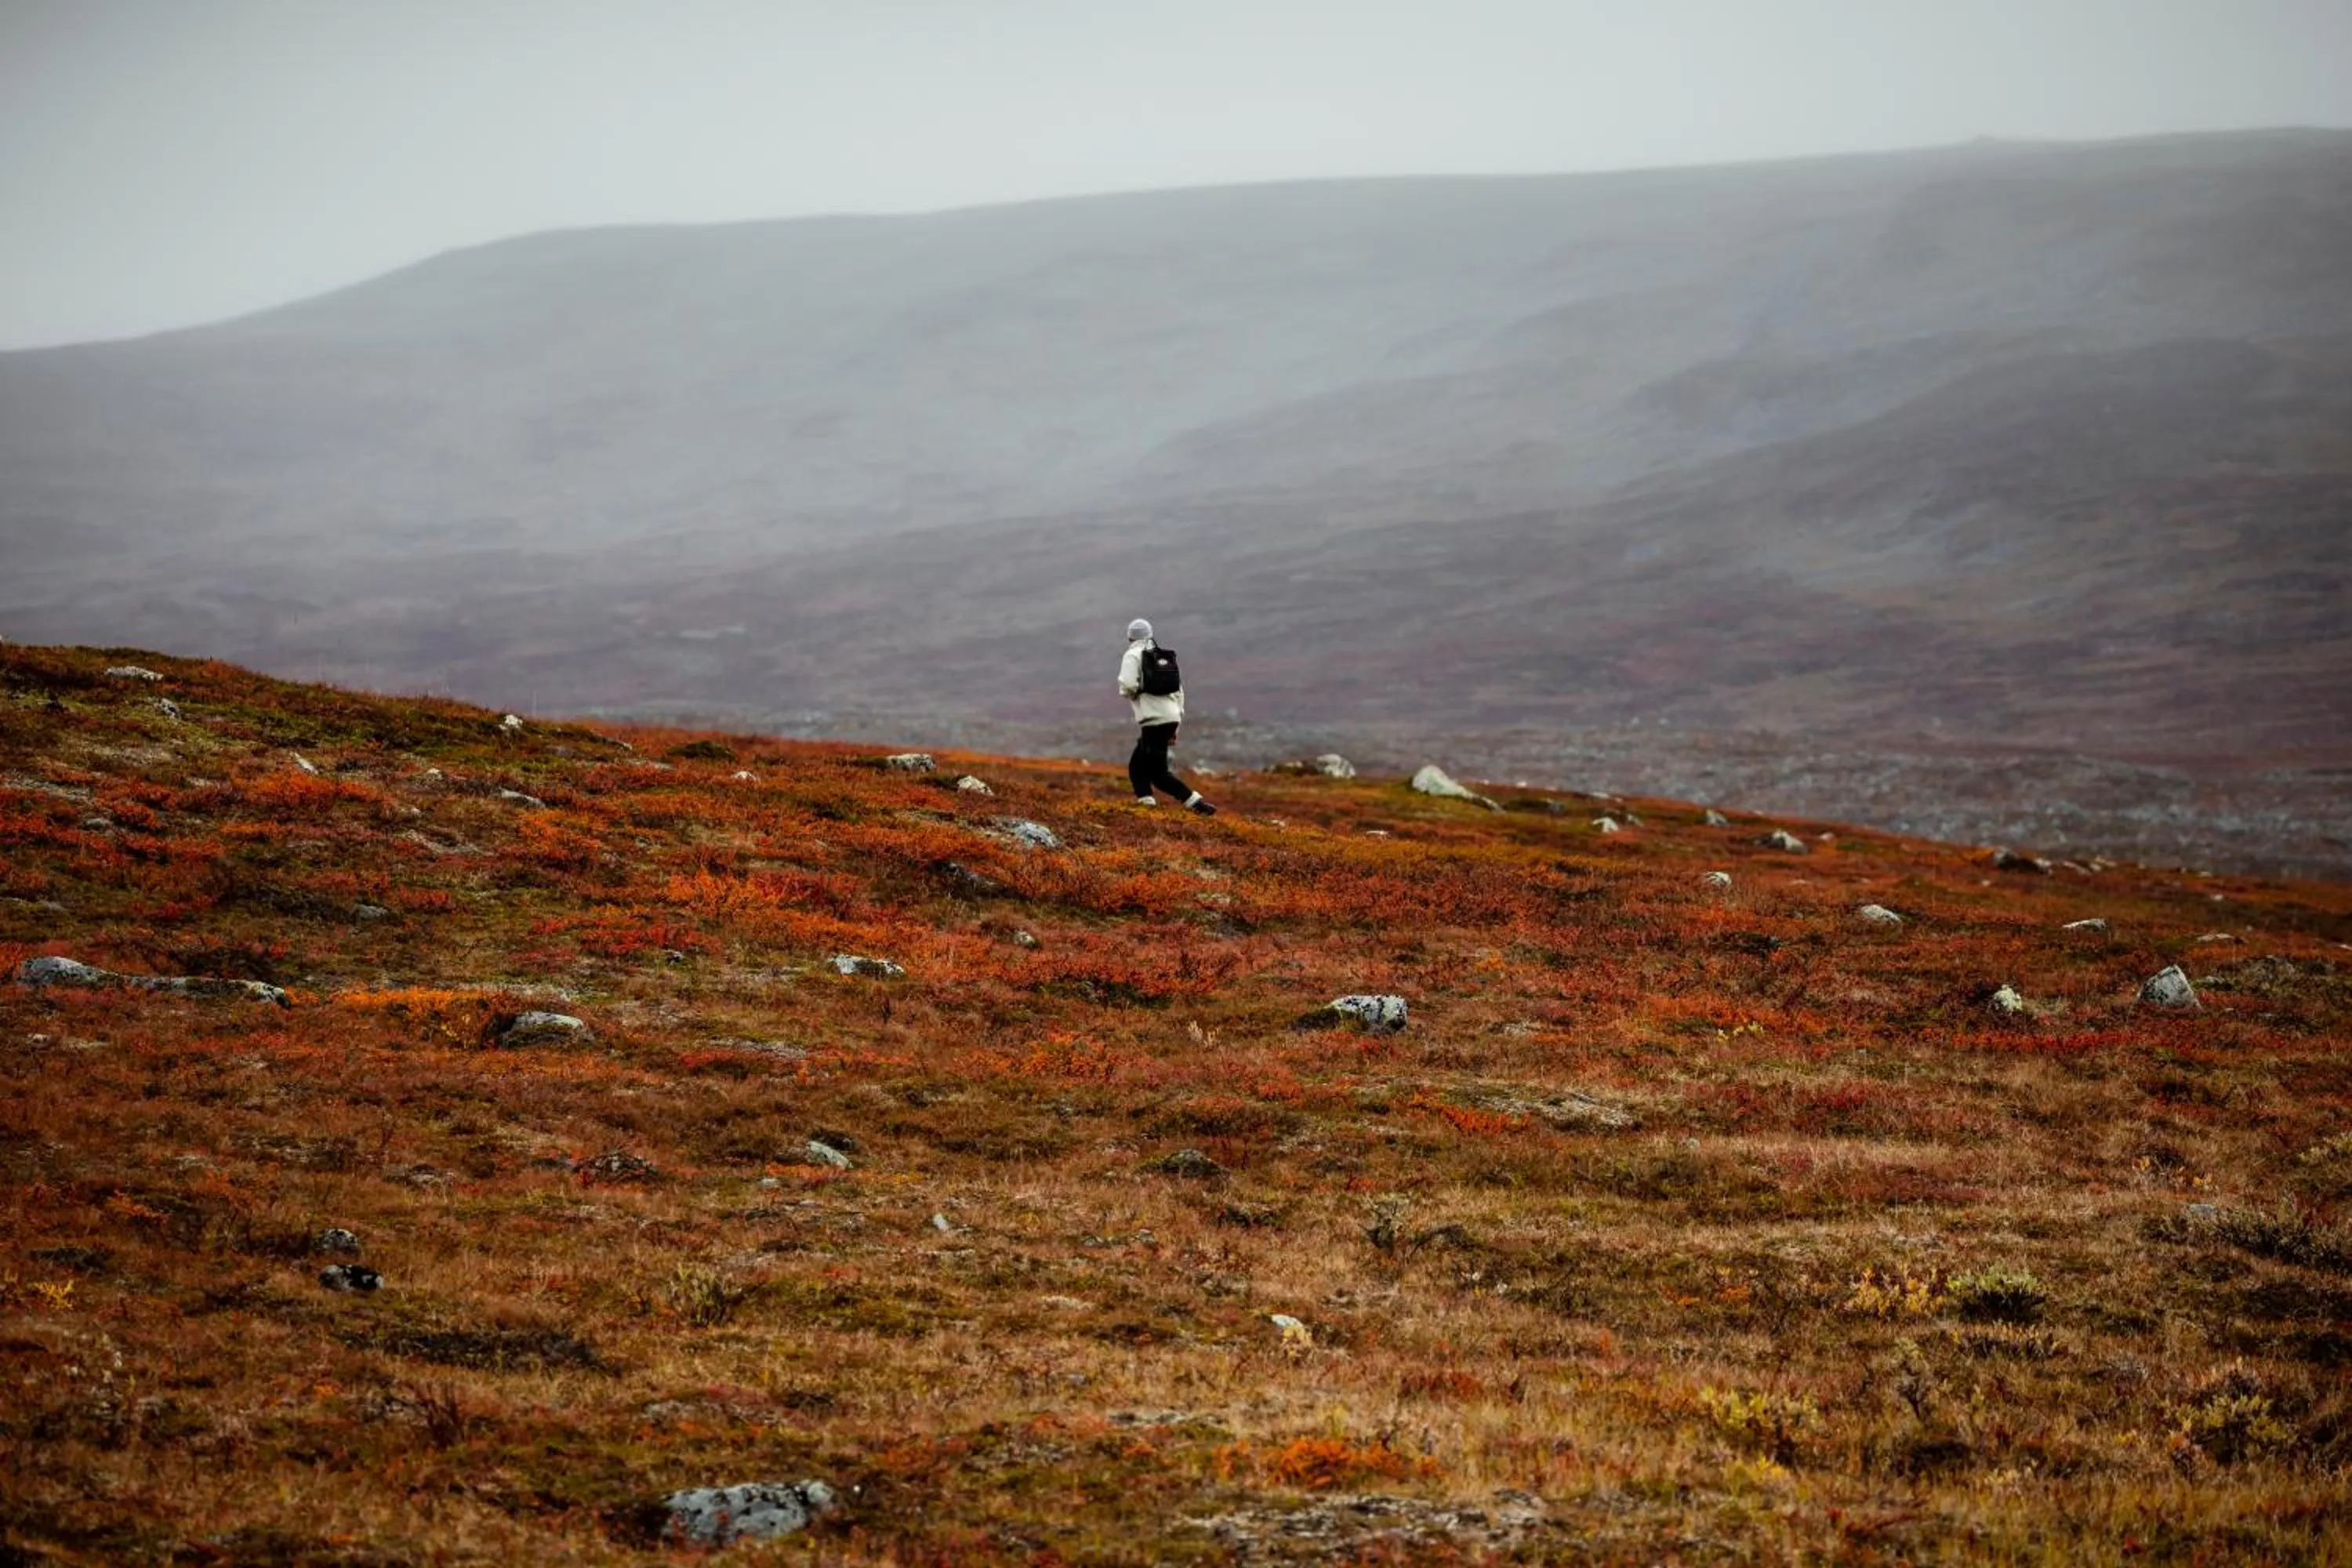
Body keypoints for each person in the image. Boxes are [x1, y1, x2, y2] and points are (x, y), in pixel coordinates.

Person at [1117, 618, 1216, 814]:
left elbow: (1128, 685)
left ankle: (1196, 803)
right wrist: (1175, 727)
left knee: (1158, 773)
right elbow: (1179, 693)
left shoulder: (1133, 655)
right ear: (1150, 635)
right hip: (1170, 718)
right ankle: (1146, 804)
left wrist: (1131, 693)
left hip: (1153, 720)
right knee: (1137, 766)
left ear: (1130, 637)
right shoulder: (1163, 659)